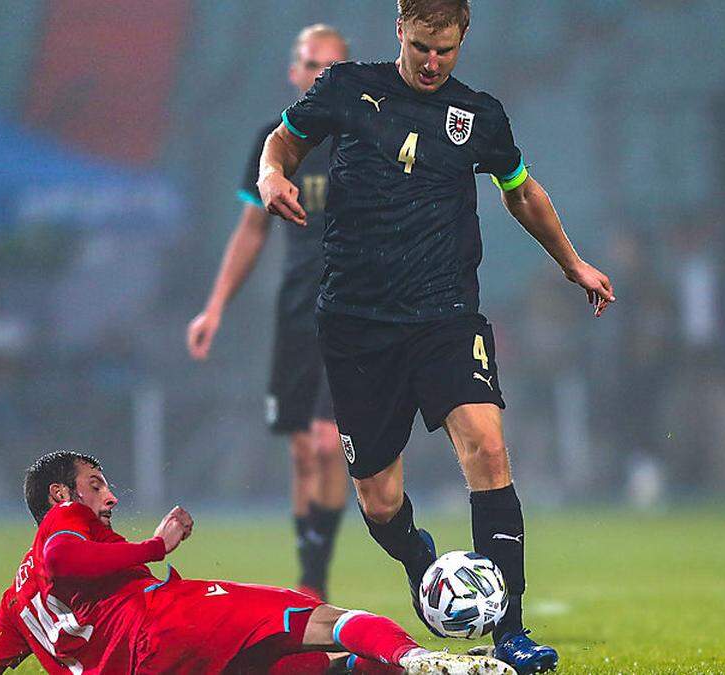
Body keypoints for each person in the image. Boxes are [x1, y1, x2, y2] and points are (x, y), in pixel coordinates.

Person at [257, 2, 615, 672]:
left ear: (462, 41)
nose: (431, 63)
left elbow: (521, 191)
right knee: (380, 499)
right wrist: (271, 174)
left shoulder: (480, 116)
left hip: (446, 316)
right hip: (357, 326)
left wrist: (572, 261)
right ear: (400, 30)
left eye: (445, 51)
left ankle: (510, 629)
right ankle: (427, 569)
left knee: (486, 444)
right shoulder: (345, 89)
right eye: (422, 47)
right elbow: (284, 140)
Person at [0, 451, 513, 675]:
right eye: (95, 486)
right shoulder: (62, 526)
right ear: (61, 495)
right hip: (162, 626)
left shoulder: (15, 602)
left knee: (311, 668)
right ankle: (420, 659)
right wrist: (157, 547)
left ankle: (418, 668)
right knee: (314, 618)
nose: (108, 499)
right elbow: (61, 554)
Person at [187, 24, 351, 600]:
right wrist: (214, 309)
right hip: (297, 309)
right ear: (293, 71)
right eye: (310, 65)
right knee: (303, 449)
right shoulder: (274, 143)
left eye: (331, 68)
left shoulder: (364, 140)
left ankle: (314, 574)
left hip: (354, 312)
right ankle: (311, 576)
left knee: (332, 442)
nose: (318, 77)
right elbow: (252, 231)